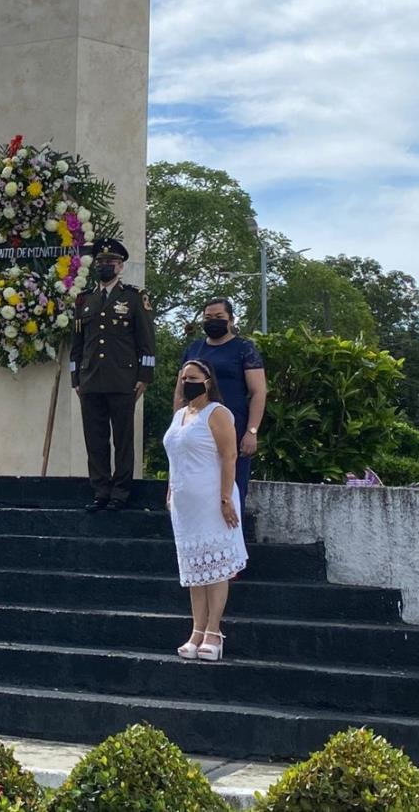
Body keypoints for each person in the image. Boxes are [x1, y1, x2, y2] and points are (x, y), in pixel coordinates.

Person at [164, 359, 248, 662]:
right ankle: (196, 629)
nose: (187, 382)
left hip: (213, 500)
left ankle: (214, 630)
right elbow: (174, 458)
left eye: (193, 377)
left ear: (208, 381)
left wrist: (226, 498)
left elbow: (229, 456)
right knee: (194, 570)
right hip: (185, 506)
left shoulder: (217, 413)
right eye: (183, 377)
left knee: (215, 569)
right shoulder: (180, 416)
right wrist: (170, 490)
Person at [70, 238, 157, 511]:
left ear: (121, 267)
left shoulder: (133, 298)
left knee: (122, 439)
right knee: (95, 440)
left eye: (111, 263)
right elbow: (77, 345)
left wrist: (144, 376)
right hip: (90, 380)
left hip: (123, 380)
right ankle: (100, 490)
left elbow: (146, 342)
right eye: (101, 263)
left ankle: (120, 492)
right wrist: (76, 379)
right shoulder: (84, 300)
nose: (105, 266)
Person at [174, 298, 266, 510]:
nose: (213, 322)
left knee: (232, 486)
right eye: (208, 318)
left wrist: (252, 431)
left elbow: (258, 391)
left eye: (219, 318)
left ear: (231, 320)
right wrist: (177, 424)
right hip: (195, 427)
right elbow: (180, 391)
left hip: (233, 427)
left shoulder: (243, 348)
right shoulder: (194, 349)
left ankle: (233, 538)